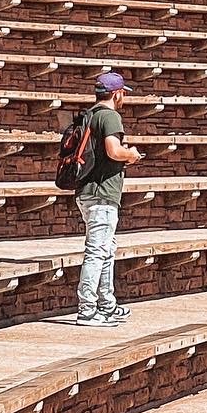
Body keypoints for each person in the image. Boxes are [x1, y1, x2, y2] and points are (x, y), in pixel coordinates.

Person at [74, 70, 144, 327]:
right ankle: (87, 309)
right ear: (117, 94)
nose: (124, 98)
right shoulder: (110, 116)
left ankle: (106, 304)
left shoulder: (89, 115)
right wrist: (131, 154)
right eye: (123, 93)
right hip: (102, 194)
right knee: (97, 251)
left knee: (105, 250)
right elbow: (113, 151)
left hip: (87, 193)